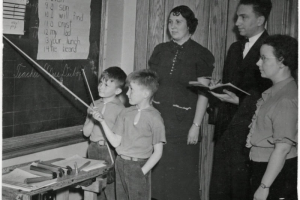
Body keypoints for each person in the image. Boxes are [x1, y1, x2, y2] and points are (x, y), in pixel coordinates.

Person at [148, 5, 215, 200]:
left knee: (181, 179)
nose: (172, 26)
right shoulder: (160, 50)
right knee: (158, 177)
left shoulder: (201, 53)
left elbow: (204, 93)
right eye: (170, 22)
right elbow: (151, 86)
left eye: (178, 22)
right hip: (159, 120)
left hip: (184, 124)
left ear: (189, 25)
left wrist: (196, 125)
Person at [209, 0, 273, 199]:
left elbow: (273, 96)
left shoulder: (272, 49)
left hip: (251, 135)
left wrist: (239, 102)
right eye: (237, 16)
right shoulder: (235, 48)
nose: (237, 22)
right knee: (220, 190)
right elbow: (231, 85)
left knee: (241, 190)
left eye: (244, 17)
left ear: (261, 20)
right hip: (226, 130)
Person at [92, 69, 166, 200]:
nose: (127, 93)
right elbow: (115, 142)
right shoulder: (125, 113)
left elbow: (158, 152)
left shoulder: (155, 118)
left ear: (145, 93)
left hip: (139, 166)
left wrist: (142, 172)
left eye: (131, 89)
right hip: (120, 163)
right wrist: (102, 121)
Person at [246, 34, 298, 200]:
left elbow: (282, 149)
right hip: (265, 168)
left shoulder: (285, 99)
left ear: (282, 61)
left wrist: (264, 187)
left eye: (264, 58)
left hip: (274, 174)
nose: (258, 63)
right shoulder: (277, 91)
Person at [83, 66, 127, 200]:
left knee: (110, 191)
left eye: (106, 85)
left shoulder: (121, 109)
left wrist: (103, 121)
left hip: (109, 152)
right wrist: (91, 117)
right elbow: (86, 133)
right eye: (101, 83)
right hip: (93, 149)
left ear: (118, 90)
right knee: (94, 190)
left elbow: (119, 138)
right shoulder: (94, 104)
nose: (101, 87)